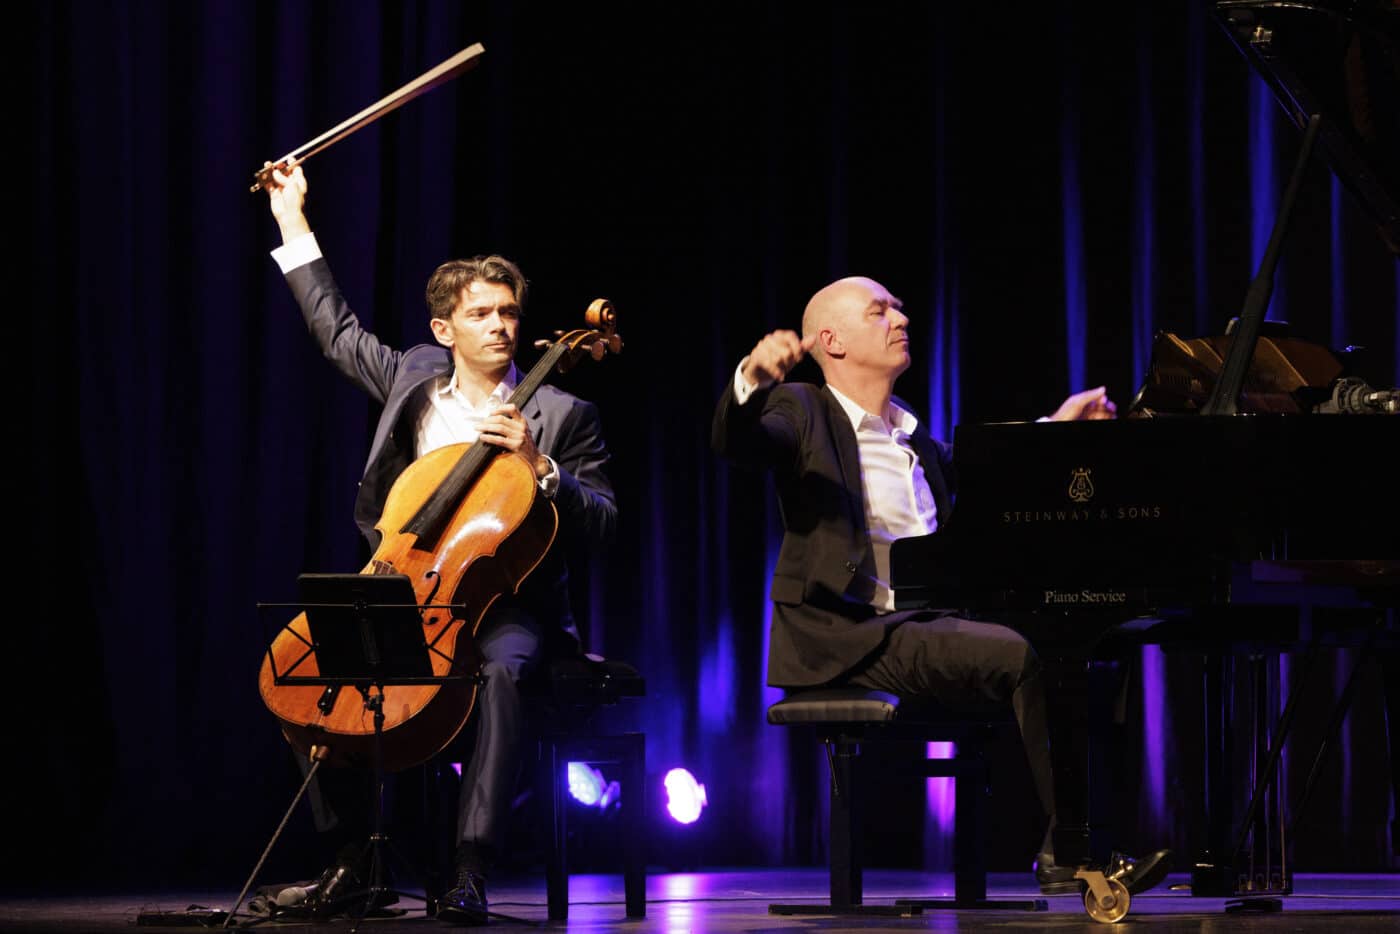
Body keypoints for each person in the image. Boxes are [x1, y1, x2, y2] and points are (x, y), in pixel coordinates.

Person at [711, 275, 1169, 895]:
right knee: (1027, 656)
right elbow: (739, 440)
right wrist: (752, 380)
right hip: (855, 633)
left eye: (898, 308)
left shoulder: (912, 437)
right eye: (879, 312)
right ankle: (1073, 856)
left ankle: (1082, 839)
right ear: (832, 340)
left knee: (1095, 647)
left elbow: (990, 477)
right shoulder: (802, 408)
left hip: (925, 625)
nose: (900, 319)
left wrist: (1055, 426)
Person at [264, 163, 617, 925]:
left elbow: (606, 522)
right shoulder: (410, 379)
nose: (500, 326)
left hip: (509, 605)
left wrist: (540, 467)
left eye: (510, 313)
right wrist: (291, 216)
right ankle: (352, 859)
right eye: (483, 313)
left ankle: (470, 866)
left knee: (499, 671)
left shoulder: (562, 411)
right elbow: (333, 328)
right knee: (300, 667)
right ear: (443, 329)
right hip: (408, 585)